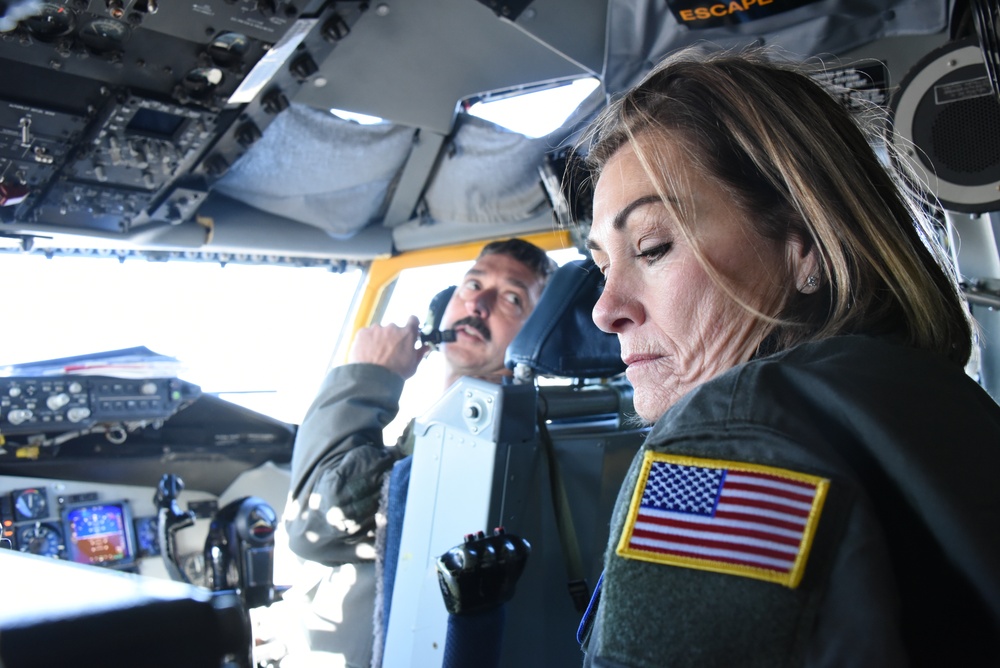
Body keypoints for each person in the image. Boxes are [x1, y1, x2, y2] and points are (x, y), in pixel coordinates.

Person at [578, 46, 1000, 666]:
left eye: (653, 246)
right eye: (601, 265)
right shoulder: (943, 400)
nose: (605, 308)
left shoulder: (724, 444)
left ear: (805, 245)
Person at [281, 238, 556, 668]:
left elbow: (312, 526)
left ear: (538, 336)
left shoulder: (469, 445)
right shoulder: (463, 436)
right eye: (472, 284)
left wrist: (370, 374)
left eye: (511, 298)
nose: (478, 303)